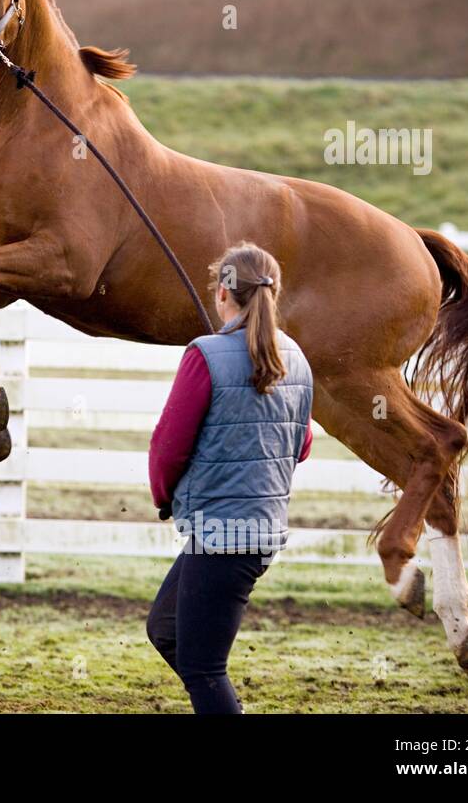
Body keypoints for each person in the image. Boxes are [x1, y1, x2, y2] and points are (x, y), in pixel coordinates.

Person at [146, 241, 314, 714]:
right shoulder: (296, 358)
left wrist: (163, 496)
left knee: (203, 668)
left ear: (223, 293)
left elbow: (169, 444)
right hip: (256, 531)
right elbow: (301, 444)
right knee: (166, 630)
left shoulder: (205, 355)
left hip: (222, 535)